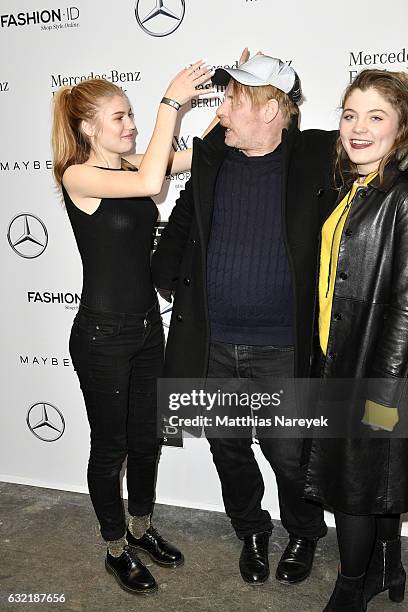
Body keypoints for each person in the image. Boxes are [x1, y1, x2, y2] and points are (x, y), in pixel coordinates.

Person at [151, 54, 338, 586]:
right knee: (228, 446)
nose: (222, 111)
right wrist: (160, 277)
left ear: (275, 110)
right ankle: (251, 529)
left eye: (234, 101)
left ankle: (303, 531)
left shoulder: (317, 154)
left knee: (288, 454)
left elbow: (383, 142)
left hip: (283, 344)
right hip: (213, 341)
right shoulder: (212, 158)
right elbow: (183, 216)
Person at [51, 62, 212, 595]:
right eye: (120, 117)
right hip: (102, 335)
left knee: (147, 441)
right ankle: (115, 548)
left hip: (146, 328)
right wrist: (173, 101)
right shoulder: (78, 175)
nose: (132, 124)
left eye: (133, 115)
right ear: (89, 129)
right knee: (112, 446)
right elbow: (153, 180)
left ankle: (141, 529)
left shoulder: (127, 166)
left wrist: (230, 103)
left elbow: (187, 160)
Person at [304, 69, 408, 611]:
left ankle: (350, 587)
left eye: (376, 116)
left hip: (376, 373)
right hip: (344, 358)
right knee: (376, 474)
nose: (358, 128)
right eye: (349, 115)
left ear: (402, 127)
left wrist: (381, 391)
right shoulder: (362, 186)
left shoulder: (402, 195)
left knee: (352, 482)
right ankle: (387, 568)